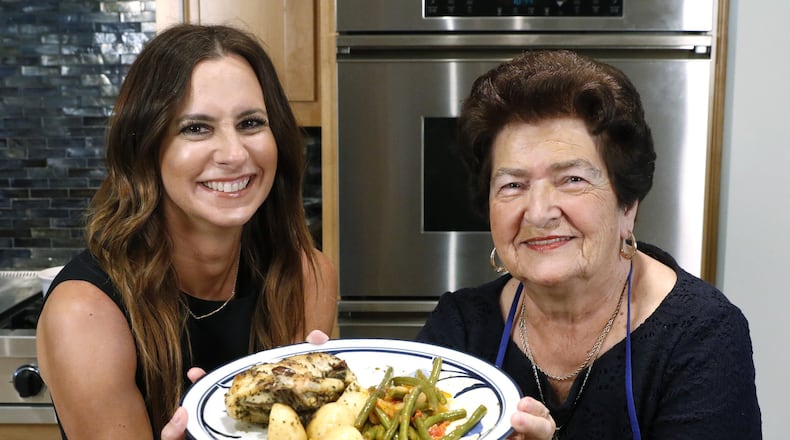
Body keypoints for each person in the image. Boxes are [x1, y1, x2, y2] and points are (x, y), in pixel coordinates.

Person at [416, 50, 761, 439]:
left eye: (572, 180)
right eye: (512, 185)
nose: (539, 212)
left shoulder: (702, 335)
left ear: (627, 205)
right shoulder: (460, 328)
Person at [35, 24, 338, 440]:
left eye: (251, 122)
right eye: (196, 128)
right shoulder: (85, 314)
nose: (234, 154)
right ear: (146, 148)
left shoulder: (306, 276)